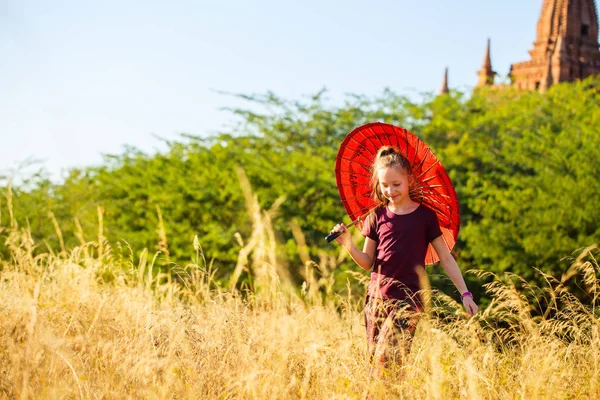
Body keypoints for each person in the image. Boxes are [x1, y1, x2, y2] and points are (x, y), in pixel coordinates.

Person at [329, 146, 478, 377]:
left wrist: (465, 293)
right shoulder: (376, 216)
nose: (390, 190)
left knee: (387, 361)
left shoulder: (425, 217)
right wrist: (348, 245)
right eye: (384, 185)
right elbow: (368, 262)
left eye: (396, 184)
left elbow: (446, 258)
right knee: (375, 366)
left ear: (409, 179)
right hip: (376, 299)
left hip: (408, 300)